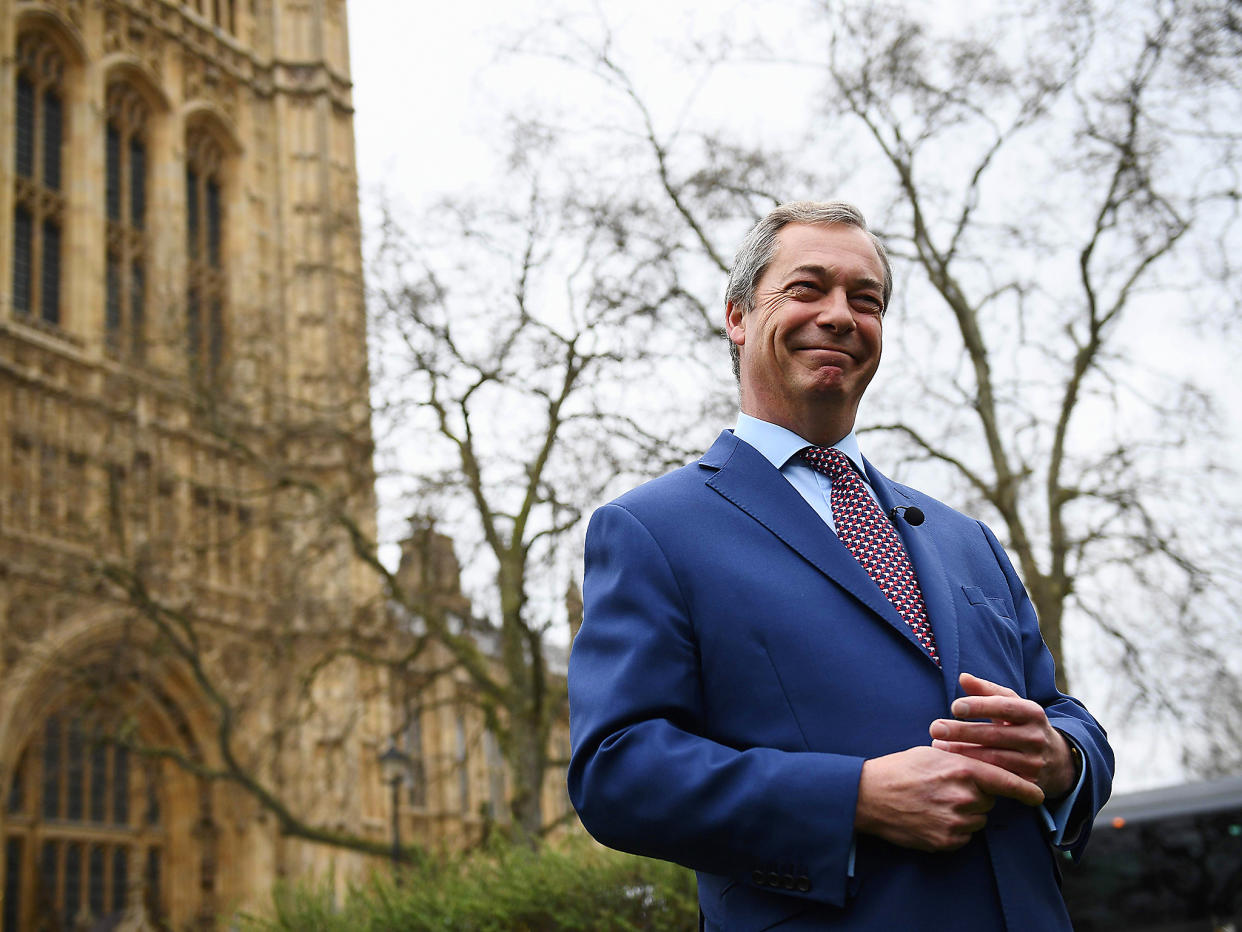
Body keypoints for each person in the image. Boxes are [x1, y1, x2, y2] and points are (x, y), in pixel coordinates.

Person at [567, 201, 1114, 931]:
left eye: (866, 299)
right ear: (736, 317)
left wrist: (1060, 759)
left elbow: (1064, 717)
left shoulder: (967, 540)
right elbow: (617, 770)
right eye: (806, 289)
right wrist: (852, 797)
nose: (840, 315)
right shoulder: (653, 530)